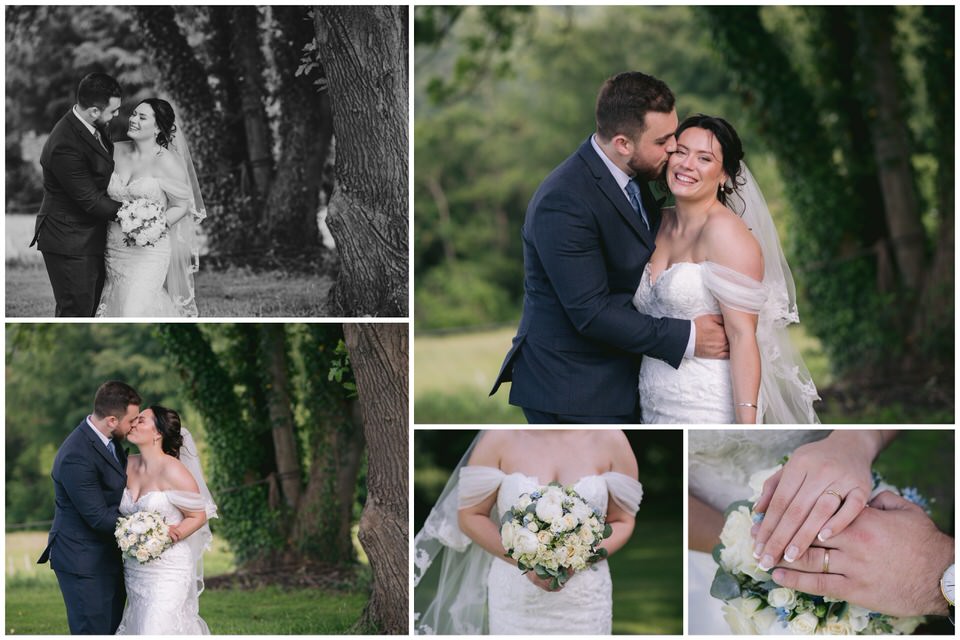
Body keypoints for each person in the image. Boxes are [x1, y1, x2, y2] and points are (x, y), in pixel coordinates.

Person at [490, 72, 729, 424]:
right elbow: (591, 312)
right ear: (623, 143)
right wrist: (689, 336)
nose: (674, 149)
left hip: (623, 377)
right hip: (573, 388)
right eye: (663, 141)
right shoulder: (565, 200)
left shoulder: (635, 176)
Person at [633, 115, 819, 423]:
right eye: (681, 151)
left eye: (704, 158)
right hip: (653, 399)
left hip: (708, 404)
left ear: (724, 176)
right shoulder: (655, 223)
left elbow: (743, 336)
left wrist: (746, 423)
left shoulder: (727, 234)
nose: (687, 164)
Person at [414, 430, 644, 634]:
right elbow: (470, 516)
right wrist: (525, 562)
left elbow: (623, 520)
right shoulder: (499, 438)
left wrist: (581, 556)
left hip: (585, 600)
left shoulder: (611, 439)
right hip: (516, 597)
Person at [38, 381, 142, 634]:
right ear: (112, 421)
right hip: (81, 559)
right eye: (132, 420)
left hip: (107, 554)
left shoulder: (109, 440)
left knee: (111, 628)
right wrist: (147, 530)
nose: (135, 425)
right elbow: (97, 517)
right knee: (92, 630)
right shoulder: (76, 455)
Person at [96, 98, 206, 317]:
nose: (133, 120)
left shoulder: (168, 162)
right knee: (116, 305)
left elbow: (181, 205)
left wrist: (155, 226)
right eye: (134, 114)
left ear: (157, 128)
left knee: (132, 311)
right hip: (113, 248)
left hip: (149, 251)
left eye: (142, 117)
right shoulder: (114, 151)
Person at [115, 406, 217, 634]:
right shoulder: (126, 464)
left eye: (141, 420)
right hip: (135, 568)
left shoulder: (174, 470)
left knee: (155, 628)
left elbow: (198, 515)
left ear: (157, 433)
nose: (133, 424)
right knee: (139, 626)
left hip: (169, 569)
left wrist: (171, 535)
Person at [31, 73, 123, 317]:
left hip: (90, 236)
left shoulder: (94, 126)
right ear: (94, 110)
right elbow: (90, 201)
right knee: (77, 312)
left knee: (94, 308)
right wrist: (137, 213)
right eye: (113, 111)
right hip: (69, 240)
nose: (116, 116)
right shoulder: (65, 144)